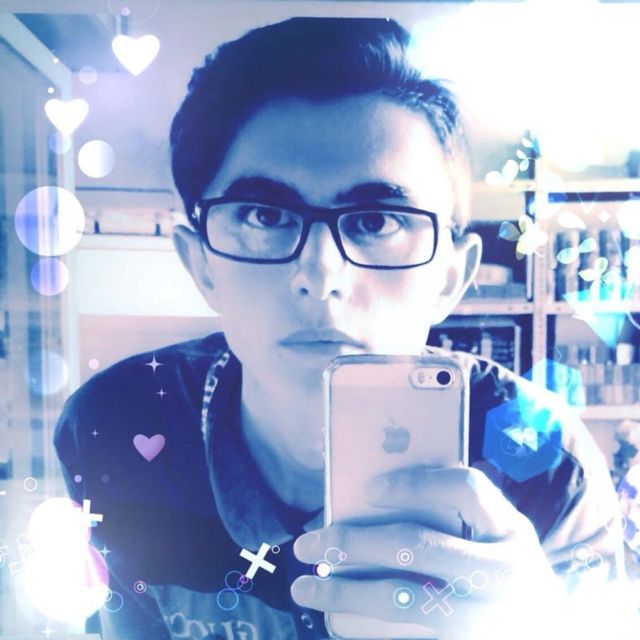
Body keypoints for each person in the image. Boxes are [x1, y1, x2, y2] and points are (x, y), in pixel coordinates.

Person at [54, 16, 631, 640]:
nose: (321, 274)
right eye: (264, 215)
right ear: (201, 265)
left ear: (451, 277)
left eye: (378, 221)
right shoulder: (114, 426)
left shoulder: (547, 465)